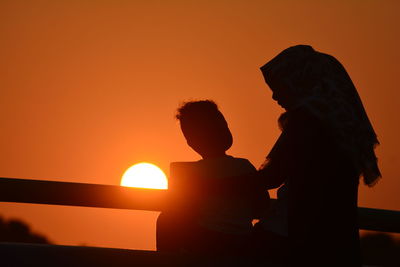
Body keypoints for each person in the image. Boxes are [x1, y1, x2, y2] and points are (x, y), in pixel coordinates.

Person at [251, 45, 381, 266]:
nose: (275, 96)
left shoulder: (307, 121)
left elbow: (272, 176)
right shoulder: (343, 125)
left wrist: (212, 184)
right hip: (336, 242)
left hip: (301, 241)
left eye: (280, 86)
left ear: (300, 82)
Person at [156, 100, 268, 259]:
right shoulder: (245, 166)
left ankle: (163, 261)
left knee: (165, 220)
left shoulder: (189, 173)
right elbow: (262, 205)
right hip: (241, 241)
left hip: (207, 241)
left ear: (191, 142)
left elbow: (183, 209)